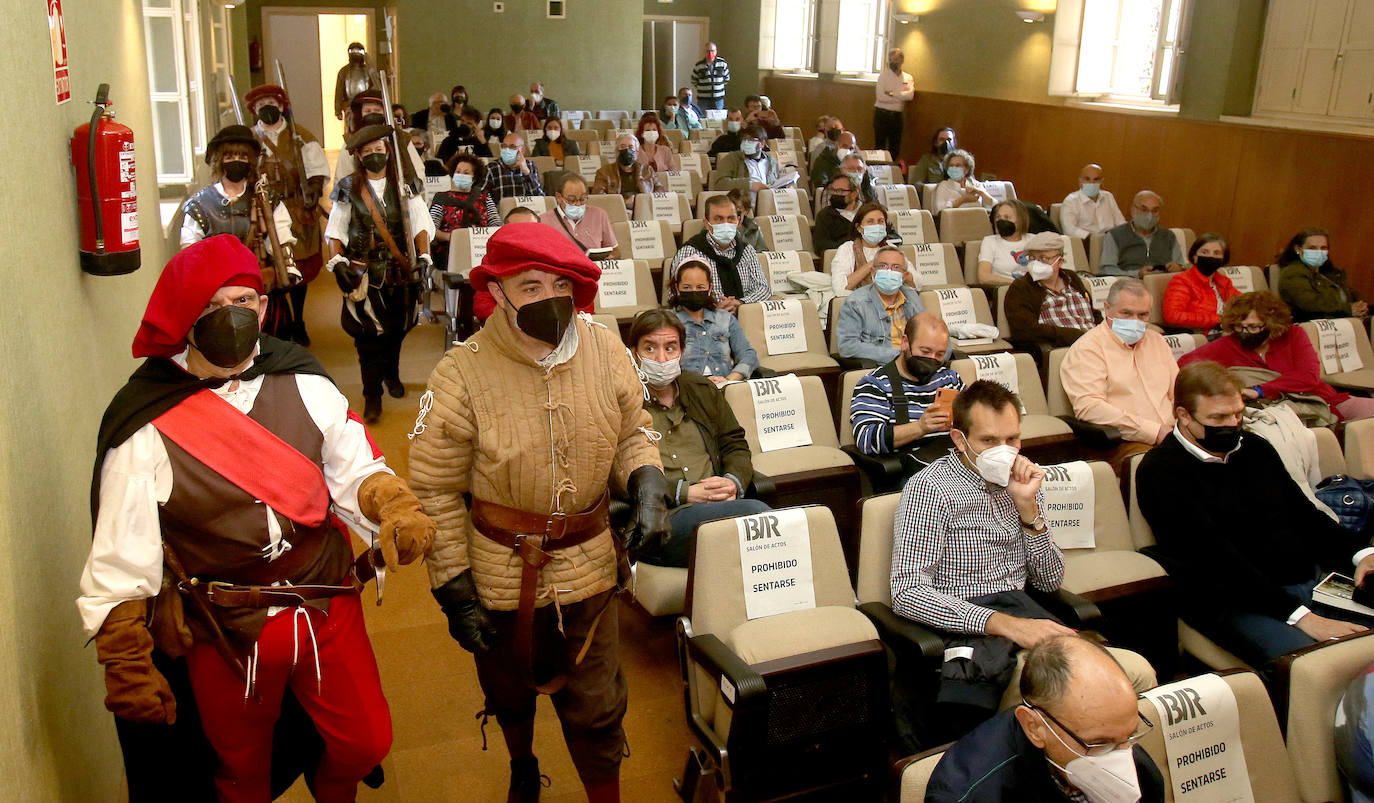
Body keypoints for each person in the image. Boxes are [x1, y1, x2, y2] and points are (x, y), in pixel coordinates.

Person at [80, 234, 435, 802]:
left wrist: (391, 504)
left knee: (365, 742)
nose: (233, 317)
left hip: (324, 603)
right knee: (241, 772)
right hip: (222, 628)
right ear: (183, 317)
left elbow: (356, 469)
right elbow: (124, 552)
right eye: (213, 307)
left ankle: (331, 785)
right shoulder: (143, 427)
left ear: (264, 308)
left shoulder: (306, 382)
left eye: (243, 302)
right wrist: (125, 657)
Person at [410, 224, 670, 803]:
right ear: (497, 291)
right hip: (501, 572)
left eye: (559, 283)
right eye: (529, 286)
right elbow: (433, 487)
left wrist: (648, 483)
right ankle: (522, 762)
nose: (548, 298)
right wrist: (452, 584)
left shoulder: (605, 348)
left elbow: (634, 432)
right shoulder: (461, 372)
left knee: (600, 705)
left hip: (591, 564)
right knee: (508, 690)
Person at [891, 380, 1156, 742]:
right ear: (959, 439)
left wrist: (1029, 510)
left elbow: (1049, 581)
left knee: (1137, 672)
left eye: (1012, 439)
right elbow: (907, 592)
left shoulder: (1023, 481)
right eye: (988, 441)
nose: (1005, 451)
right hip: (969, 627)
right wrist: (1004, 625)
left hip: (1025, 616)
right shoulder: (930, 488)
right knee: (1075, 700)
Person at [1137, 361, 1374, 665]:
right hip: (1234, 600)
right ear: (1183, 415)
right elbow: (1215, 559)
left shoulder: (1254, 448)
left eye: (1237, 413)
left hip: (1305, 581)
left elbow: (1305, 516)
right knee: (1320, 667)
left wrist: (1361, 554)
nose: (1232, 424)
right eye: (1218, 417)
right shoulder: (1160, 471)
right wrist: (1302, 617)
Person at [926, 636, 1166, 803]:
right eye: (1100, 743)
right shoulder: (969, 794)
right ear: (1034, 727)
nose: (1123, 756)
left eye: (1129, 736)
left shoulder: (1140, 771)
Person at [630, 309, 769, 567]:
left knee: (770, 529)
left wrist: (732, 482)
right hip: (663, 518)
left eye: (670, 348)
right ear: (633, 352)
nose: (661, 358)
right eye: (650, 349)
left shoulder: (701, 389)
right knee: (761, 521)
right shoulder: (621, 402)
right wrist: (684, 493)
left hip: (722, 507)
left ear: (682, 352)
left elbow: (734, 444)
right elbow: (618, 474)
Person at [323, 124, 434, 423]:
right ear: (358, 155)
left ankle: (392, 374)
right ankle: (372, 394)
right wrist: (338, 263)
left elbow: (421, 221)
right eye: (368, 151)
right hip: (364, 272)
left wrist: (423, 256)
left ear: (388, 152)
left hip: (400, 272)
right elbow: (336, 229)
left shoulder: (405, 184)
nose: (374, 156)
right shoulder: (348, 187)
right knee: (368, 336)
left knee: (398, 329)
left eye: (379, 150)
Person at [180, 125, 299, 341]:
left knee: (268, 345)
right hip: (216, 295)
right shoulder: (199, 205)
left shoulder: (267, 200)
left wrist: (287, 270)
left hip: (260, 289)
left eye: (242, 156)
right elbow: (190, 251)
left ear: (251, 161)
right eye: (230, 156)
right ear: (218, 160)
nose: (237, 161)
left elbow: (281, 239)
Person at [1179, 291, 1374, 422]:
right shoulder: (1228, 344)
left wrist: (1261, 389)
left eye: (1254, 327)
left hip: (1322, 399)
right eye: (1240, 326)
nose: (1245, 332)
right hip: (1279, 412)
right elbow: (1185, 364)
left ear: (1271, 324)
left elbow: (1308, 376)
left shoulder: (1294, 335)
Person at [244, 84, 331, 345]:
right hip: (263, 212)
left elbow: (317, 170)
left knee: (299, 267)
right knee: (270, 265)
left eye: (271, 103)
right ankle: (279, 322)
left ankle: (299, 321)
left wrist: (313, 189)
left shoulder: (301, 137)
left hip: (296, 209)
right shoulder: (248, 139)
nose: (267, 109)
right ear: (254, 111)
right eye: (261, 106)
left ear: (282, 106)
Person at [1061, 278, 1178, 470]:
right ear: (1107, 309)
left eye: (1143, 315)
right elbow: (1089, 407)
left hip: (1173, 435)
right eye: (1126, 313)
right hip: (1121, 443)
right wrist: (1155, 431)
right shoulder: (1088, 348)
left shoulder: (1157, 341)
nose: (1135, 321)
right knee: (1171, 464)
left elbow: (1179, 393)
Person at [850, 312, 962, 471]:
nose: (931, 359)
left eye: (939, 354)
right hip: (911, 472)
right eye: (924, 351)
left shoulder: (951, 380)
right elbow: (867, 439)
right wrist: (920, 427)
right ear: (905, 343)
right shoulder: (876, 384)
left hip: (955, 465)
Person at [670, 194, 771, 313]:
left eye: (731, 218)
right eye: (719, 219)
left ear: (739, 222)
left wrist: (740, 303)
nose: (726, 224)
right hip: (703, 319)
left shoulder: (747, 250)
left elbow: (763, 288)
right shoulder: (689, 252)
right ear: (707, 224)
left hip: (744, 316)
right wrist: (714, 309)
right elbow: (675, 296)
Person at [1004, 232, 1098, 353]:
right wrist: (1074, 335)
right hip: (1063, 349)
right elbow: (1024, 330)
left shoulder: (1072, 278)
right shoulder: (1021, 288)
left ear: (1060, 261)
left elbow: (1093, 314)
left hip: (1095, 343)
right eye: (1032, 258)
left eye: (1044, 258)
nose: (1036, 263)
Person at [669, 259, 759, 384]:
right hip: (687, 390)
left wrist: (729, 380)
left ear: (709, 288)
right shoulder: (667, 321)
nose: (694, 291)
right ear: (677, 288)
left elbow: (748, 355)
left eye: (700, 287)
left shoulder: (726, 319)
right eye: (687, 287)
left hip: (725, 385)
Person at [836, 247, 926, 367]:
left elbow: (929, 332)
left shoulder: (911, 296)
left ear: (904, 276)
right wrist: (900, 356)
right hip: (883, 367)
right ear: (873, 272)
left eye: (896, 267)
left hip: (918, 365)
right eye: (883, 266)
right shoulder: (855, 302)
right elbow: (847, 346)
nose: (889, 271)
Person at [1277, 227, 1368, 322]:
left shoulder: (1326, 272)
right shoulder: (1292, 273)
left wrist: (1360, 305)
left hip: (1340, 322)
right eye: (1312, 248)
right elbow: (1311, 303)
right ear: (1298, 249)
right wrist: (1348, 309)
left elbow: (1347, 291)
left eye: (1323, 248)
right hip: (1311, 327)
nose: (1319, 252)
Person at [429, 153, 498, 267]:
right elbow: (431, 229)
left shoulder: (484, 196)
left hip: (482, 246)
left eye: (466, 173)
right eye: (458, 172)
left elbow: (495, 223)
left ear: (474, 177)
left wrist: (485, 239)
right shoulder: (441, 198)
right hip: (451, 248)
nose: (461, 175)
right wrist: (452, 237)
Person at [1161, 233, 1240, 331]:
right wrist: (1219, 319)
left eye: (1216, 253)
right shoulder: (1182, 281)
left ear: (1223, 259)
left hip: (1229, 331)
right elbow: (1173, 316)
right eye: (1204, 252)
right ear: (1195, 257)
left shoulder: (1224, 281)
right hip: (1204, 335)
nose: (1210, 257)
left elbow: (1244, 305)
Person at [1098, 191, 1184, 277]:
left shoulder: (1168, 236)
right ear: (1133, 211)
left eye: (1155, 211)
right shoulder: (1115, 235)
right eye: (1144, 210)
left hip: (1163, 283)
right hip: (1130, 284)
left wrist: (1178, 268)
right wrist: (1137, 274)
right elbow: (1107, 271)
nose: (1149, 216)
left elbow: (1181, 266)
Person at [830, 203, 901, 297]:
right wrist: (872, 264)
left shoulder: (891, 249)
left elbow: (916, 283)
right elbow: (840, 288)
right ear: (859, 228)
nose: (877, 226)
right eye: (870, 222)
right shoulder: (847, 249)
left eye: (881, 221)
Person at [539, 173, 618, 257]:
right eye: (571, 200)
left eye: (582, 199)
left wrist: (610, 257)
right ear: (559, 197)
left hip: (594, 268)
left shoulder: (599, 215)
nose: (578, 204)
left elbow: (615, 250)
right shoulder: (543, 221)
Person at [710, 125, 780, 208]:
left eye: (751, 140)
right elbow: (720, 184)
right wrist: (750, 185)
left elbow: (776, 182)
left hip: (768, 205)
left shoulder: (772, 162)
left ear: (762, 144)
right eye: (744, 139)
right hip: (742, 206)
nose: (746, 143)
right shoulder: (731, 159)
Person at [592, 134, 662, 211]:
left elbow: (660, 190)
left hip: (644, 210)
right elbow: (598, 197)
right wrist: (624, 202)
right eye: (622, 147)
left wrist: (642, 201)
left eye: (631, 147)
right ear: (616, 151)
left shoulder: (647, 170)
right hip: (617, 211)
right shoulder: (604, 172)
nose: (627, 150)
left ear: (637, 153)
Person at [1059, 163, 1126, 239]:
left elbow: (1120, 222)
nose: (1091, 183)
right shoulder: (1071, 201)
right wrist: (1092, 238)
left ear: (1102, 181)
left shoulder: (1108, 196)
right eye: (1087, 179)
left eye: (1096, 179)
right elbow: (1069, 229)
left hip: (1111, 240)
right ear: (1080, 181)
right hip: (1086, 242)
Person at [978, 200, 1033, 285]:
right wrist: (1017, 283)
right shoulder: (990, 241)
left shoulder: (1034, 240)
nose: (1002, 221)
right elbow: (983, 277)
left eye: (1007, 217)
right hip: (1005, 290)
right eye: (999, 217)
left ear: (1021, 220)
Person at [873, 48, 915, 159]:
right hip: (882, 115)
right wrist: (900, 97)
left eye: (895, 59)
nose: (892, 62)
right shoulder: (883, 77)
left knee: (895, 146)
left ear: (901, 61)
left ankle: (891, 170)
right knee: (880, 146)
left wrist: (891, 93)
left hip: (897, 116)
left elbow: (910, 96)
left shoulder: (908, 77)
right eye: (890, 60)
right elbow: (881, 97)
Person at [482, 132, 542, 203]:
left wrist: (526, 172)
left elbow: (540, 197)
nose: (507, 150)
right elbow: (482, 197)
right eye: (504, 146)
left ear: (522, 150)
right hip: (502, 212)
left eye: (512, 147)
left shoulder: (530, 165)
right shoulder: (491, 168)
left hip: (527, 210)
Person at [933, 149, 995, 214]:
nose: (953, 168)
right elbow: (939, 210)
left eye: (957, 165)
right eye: (951, 166)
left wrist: (980, 192)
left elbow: (995, 206)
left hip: (978, 220)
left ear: (967, 169)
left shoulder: (975, 184)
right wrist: (963, 199)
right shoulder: (943, 186)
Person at [333, 42, 380, 122]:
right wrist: (338, 110)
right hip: (349, 105)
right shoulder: (344, 72)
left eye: (358, 52)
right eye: (353, 52)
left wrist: (370, 65)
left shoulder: (368, 70)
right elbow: (339, 91)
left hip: (366, 104)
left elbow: (377, 85)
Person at [814, 173, 861, 252]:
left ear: (854, 194)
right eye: (833, 190)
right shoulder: (825, 216)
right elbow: (821, 246)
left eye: (840, 191)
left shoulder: (869, 212)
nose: (835, 194)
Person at [810, 129, 855, 194]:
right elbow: (821, 185)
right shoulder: (822, 161)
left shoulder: (854, 162)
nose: (848, 151)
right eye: (845, 146)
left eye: (851, 148)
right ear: (837, 145)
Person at [692, 42, 731, 111]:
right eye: (708, 51)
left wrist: (717, 87)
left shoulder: (722, 63)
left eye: (712, 51)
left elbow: (726, 78)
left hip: (718, 99)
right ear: (704, 52)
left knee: (718, 119)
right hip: (703, 100)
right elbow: (694, 80)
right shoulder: (699, 65)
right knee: (703, 118)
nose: (710, 53)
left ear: (716, 51)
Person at [726, 189, 766, 253]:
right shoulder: (715, 226)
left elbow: (763, 252)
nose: (733, 212)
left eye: (738, 209)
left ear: (746, 211)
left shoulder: (754, 228)